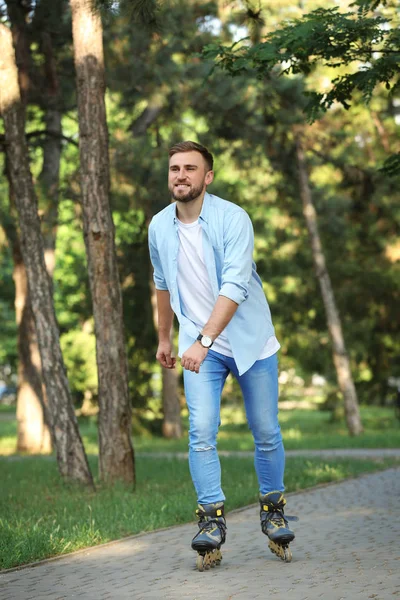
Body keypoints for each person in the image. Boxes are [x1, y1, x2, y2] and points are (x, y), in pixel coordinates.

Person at [148, 140, 296, 571]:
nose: (181, 175)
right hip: (200, 349)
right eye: (175, 168)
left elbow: (235, 285)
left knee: (266, 430)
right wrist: (164, 337)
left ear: (207, 177)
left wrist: (203, 341)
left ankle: (273, 510)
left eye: (190, 168)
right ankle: (210, 520)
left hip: (249, 343)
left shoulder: (233, 218)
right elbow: (161, 282)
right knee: (202, 432)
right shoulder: (159, 225)